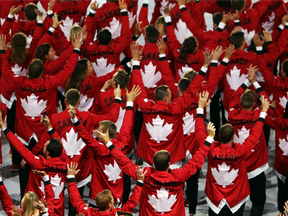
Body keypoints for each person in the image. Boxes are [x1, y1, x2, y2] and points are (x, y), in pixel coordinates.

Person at [93, 96, 214, 215]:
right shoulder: (179, 175)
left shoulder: (144, 175)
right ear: (169, 164)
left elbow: (123, 161)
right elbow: (197, 161)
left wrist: (108, 143)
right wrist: (208, 139)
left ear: (153, 164)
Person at [31, 87, 121, 215]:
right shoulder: (87, 117)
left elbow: (44, 140)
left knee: (56, 203)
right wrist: (117, 98)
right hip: (81, 169)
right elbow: (112, 117)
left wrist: (31, 155)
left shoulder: (55, 119)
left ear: (65, 101)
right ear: (79, 102)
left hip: (60, 168)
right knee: (76, 204)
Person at [196, 89, 270, 215]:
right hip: (236, 199)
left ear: (218, 135)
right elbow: (255, 136)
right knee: (258, 201)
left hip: (215, 199)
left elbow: (199, 134)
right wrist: (262, 113)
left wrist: (200, 110)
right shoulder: (240, 150)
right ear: (232, 138)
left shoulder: (210, 148)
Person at [69, 85, 140, 207]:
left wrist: (75, 120)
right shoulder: (123, 143)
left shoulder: (99, 148)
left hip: (97, 197)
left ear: (104, 133)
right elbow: (127, 125)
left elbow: (85, 136)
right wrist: (129, 103)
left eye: (99, 129)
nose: (96, 130)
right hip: (116, 199)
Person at [228, 66, 270, 216]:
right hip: (256, 168)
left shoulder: (232, 116)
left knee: (238, 201)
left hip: (239, 165)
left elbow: (233, 98)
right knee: (258, 202)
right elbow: (265, 99)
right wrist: (255, 82)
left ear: (240, 103)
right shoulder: (258, 116)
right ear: (254, 105)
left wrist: (247, 81)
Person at [67, 162, 145, 215]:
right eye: (112, 200)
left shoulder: (88, 213)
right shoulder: (117, 214)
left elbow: (76, 200)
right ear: (109, 205)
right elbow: (132, 203)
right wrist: (140, 182)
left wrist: (71, 178)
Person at [265, 102, 288, 215]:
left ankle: (281, 212)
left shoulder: (279, 122)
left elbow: (266, 118)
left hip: (280, 165)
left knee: (282, 190)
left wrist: (271, 108)